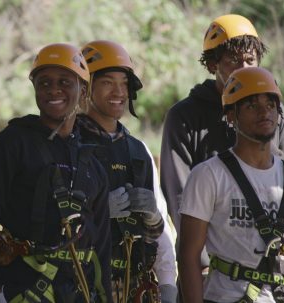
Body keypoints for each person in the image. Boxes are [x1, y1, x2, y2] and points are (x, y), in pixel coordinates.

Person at [0, 43, 113, 303]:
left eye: (64, 82)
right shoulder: (10, 146)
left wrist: (105, 297)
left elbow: (100, 245)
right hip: (25, 290)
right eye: (44, 83)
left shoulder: (92, 163)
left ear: (84, 90)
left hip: (81, 291)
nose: (53, 89)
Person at [160, 13, 284, 267]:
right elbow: (179, 196)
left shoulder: (273, 113)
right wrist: (203, 264)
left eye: (250, 60)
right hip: (212, 266)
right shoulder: (185, 117)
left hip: (273, 261)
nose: (244, 69)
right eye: (233, 61)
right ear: (212, 65)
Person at [178, 66, 284, 302]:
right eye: (252, 105)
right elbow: (188, 256)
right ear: (231, 115)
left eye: (270, 105)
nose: (265, 112)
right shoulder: (208, 175)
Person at [78, 40, 177, 303]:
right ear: (86, 87)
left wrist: (167, 284)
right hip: (78, 285)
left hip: (134, 288)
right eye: (108, 82)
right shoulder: (68, 145)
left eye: (124, 83)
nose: (119, 92)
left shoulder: (138, 151)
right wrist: (97, 212)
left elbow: (161, 229)